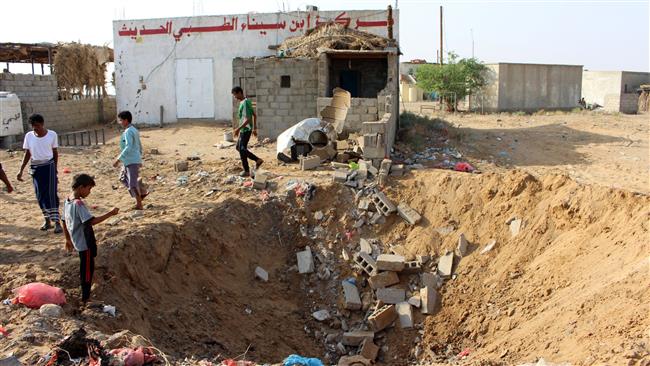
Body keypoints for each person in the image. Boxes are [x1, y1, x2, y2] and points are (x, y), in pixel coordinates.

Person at [61, 174, 119, 305]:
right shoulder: (78, 204)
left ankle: (85, 295)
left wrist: (68, 239)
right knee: (87, 270)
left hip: (76, 240)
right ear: (81, 187)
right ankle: (86, 298)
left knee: (85, 268)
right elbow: (91, 221)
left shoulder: (67, 200)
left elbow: (63, 221)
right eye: (89, 189)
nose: (89, 192)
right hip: (85, 243)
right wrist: (110, 213)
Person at [17, 113, 61, 232]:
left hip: (49, 166)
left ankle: (57, 222)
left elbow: (55, 152)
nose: (35, 128)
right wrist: (20, 170)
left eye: (36, 125)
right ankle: (47, 220)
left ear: (42, 124)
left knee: (51, 193)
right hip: (36, 167)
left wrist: (55, 168)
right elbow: (27, 153)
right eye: (33, 126)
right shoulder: (29, 136)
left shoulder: (52, 135)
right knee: (40, 195)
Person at [112, 110, 146, 210]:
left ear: (126, 120)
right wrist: (138, 157)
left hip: (131, 160)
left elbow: (129, 147)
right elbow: (139, 145)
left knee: (132, 185)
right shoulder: (133, 130)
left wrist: (118, 159)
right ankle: (140, 190)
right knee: (122, 178)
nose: (120, 122)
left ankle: (139, 203)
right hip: (130, 160)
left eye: (121, 120)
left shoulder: (129, 131)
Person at [231, 86, 263, 177]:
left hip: (245, 130)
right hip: (246, 129)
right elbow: (254, 115)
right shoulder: (245, 102)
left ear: (239, 93)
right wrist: (254, 128)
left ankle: (254, 163)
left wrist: (238, 129)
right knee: (239, 147)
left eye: (235, 95)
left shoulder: (245, 103)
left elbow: (248, 119)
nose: (235, 97)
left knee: (241, 149)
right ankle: (248, 168)